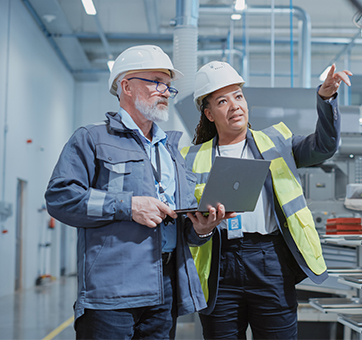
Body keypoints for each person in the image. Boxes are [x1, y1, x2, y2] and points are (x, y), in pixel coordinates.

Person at [45, 45, 231, 339]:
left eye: (168, 85)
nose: (165, 91)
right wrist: (127, 206)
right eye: (156, 82)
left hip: (165, 290)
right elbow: (61, 198)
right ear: (126, 86)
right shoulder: (93, 139)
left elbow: (180, 226)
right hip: (112, 293)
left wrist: (203, 229)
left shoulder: (171, 150)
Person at [181, 60, 352, 339]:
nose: (235, 105)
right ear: (209, 114)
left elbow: (324, 146)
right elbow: (185, 227)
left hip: (269, 261)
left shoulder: (278, 142)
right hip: (219, 264)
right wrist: (201, 229)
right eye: (223, 101)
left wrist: (326, 98)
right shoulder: (191, 158)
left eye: (238, 96)